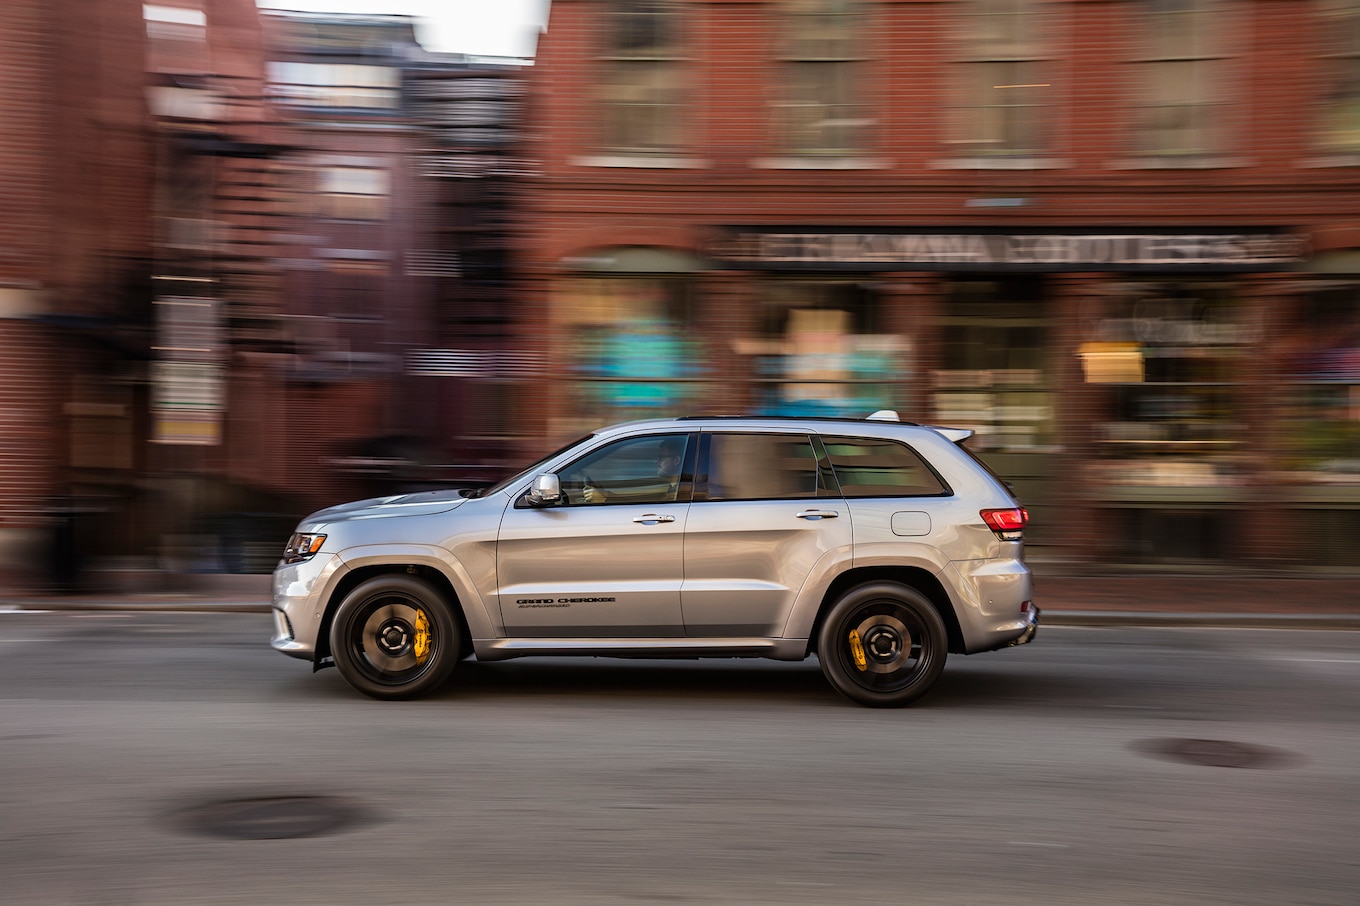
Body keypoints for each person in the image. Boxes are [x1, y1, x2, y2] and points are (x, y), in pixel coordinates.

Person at [582, 437, 684, 503]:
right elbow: (644, 503)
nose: (656, 462)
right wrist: (607, 495)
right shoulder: (675, 489)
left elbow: (648, 513)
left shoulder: (680, 493)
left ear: (676, 460)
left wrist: (605, 499)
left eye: (661, 457)